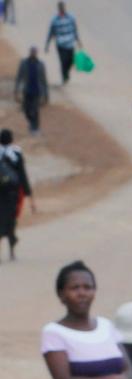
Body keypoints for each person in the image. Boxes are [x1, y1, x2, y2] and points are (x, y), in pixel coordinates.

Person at [0, 129, 25, 260]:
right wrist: (28, 194)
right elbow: (22, 175)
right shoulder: (16, 154)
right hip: (12, 195)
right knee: (10, 222)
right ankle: (11, 251)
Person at [45, 3, 77, 85]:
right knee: (63, 61)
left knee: (71, 61)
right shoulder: (55, 20)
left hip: (70, 43)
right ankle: (64, 77)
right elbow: (51, 32)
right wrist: (47, 45)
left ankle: (67, 72)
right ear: (58, 9)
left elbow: (75, 29)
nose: (62, 9)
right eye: (60, 8)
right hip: (60, 44)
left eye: (63, 7)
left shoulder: (70, 18)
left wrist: (78, 40)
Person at [13, 52, 43, 137]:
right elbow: (19, 76)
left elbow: (43, 80)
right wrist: (16, 90)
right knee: (26, 110)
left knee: (35, 110)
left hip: (37, 92)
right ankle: (31, 123)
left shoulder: (40, 64)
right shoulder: (24, 63)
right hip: (26, 91)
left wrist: (45, 95)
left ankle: (35, 128)